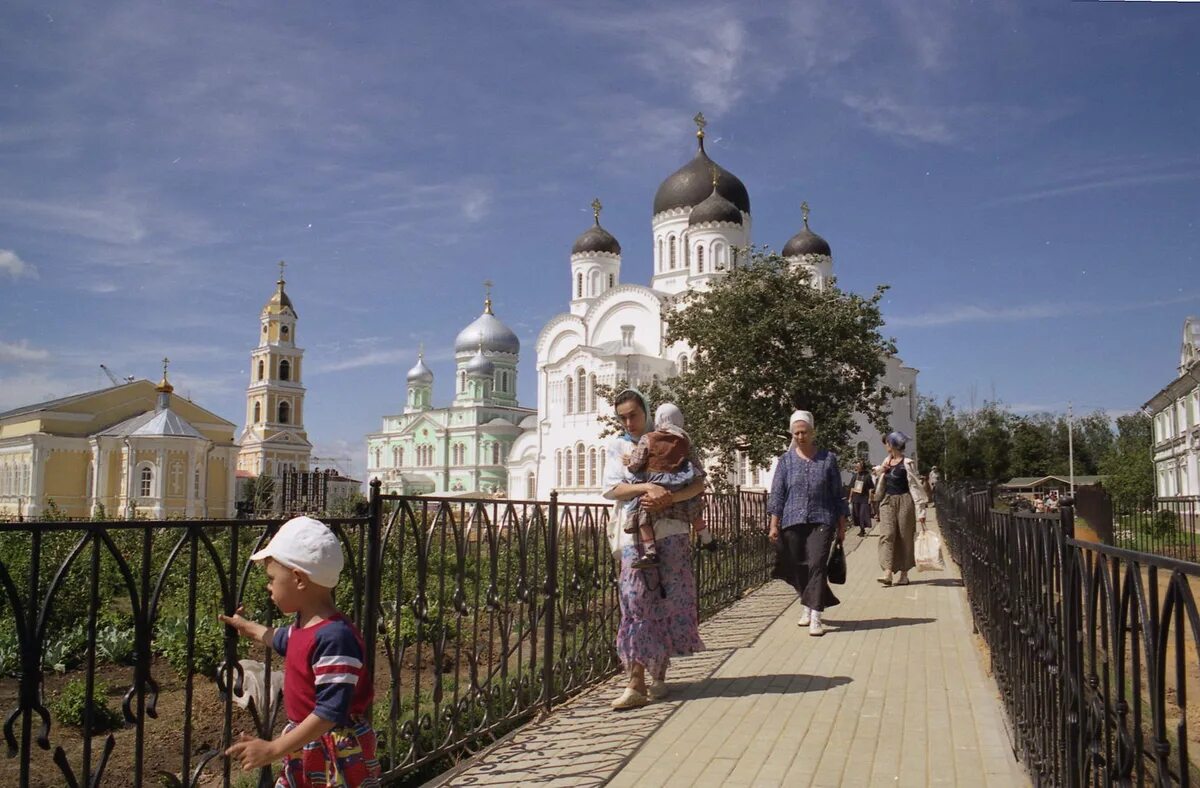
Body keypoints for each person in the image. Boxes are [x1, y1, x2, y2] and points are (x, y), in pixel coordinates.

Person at [220, 516, 381, 787]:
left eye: (272, 578)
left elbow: (330, 711)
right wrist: (245, 627)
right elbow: (282, 640)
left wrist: (274, 749)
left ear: (298, 579)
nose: (268, 586)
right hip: (308, 743)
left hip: (336, 752)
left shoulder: (335, 638)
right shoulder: (307, 627)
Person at [603, 389, 707, 710]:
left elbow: (699, 481)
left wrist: (670, 498)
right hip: (634, 536)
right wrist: (647, 486)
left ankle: (659, 674)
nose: (629, 422)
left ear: (646, 412)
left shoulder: (674, 440)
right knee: (635, 601)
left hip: (673, 531)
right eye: (622, 417)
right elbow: (612, 488)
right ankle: (635, 682)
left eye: (634, 414)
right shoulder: (619, 446)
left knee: (667, 600)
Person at [767, 410, 848, 637]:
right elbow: (778, 494)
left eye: (804, 432)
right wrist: (774, 524)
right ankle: (806, 603)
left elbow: (837, 495)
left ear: (812, 432)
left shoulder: (828, 459)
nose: (800, 437)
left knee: (816, 563)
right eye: (796, 433)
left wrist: (842, 525)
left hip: (822, 519)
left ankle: (816, 615)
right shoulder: (785, 462)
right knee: (798, 566)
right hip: (792, 520)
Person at [622, 402, 715, 568]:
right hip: (679, 483)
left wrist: (629, 463)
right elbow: (698, 469)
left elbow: (637, 462)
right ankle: (707, 539)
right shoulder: (684, 441)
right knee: (693, 511)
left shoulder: (648, 438)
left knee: (643, 515)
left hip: (655, 485)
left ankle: (650, 552)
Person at [873, 432, 929, 587]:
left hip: (905, 500)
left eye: (887, 443)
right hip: (888, 500)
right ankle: (888, 572)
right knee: (887, 534)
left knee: (905, 536)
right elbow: (879, 478)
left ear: (892, 445)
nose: (885, 446)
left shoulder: (907, 463)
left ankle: (904, 574)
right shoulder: (886, 461)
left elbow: (915, 487)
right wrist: (880, 470)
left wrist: (921, 512)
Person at [847, 458, 874, 537]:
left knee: (862, 514)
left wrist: (870, 498)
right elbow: (852, 487)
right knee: (857, 514)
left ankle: (863, 530)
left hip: (864, 498)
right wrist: (850, 497)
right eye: (856, 466)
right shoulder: (855, 476)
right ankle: (861, 528)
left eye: (858, 466)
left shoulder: (867, 476)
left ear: (862, 466)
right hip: (856, 498)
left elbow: (870, 488)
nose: (856, 467)